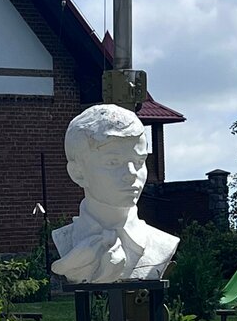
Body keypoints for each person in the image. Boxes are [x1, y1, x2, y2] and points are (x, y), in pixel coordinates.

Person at [51, 104, 179, 283]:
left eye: (139, 161)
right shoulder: (64, 239)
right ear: (78, 173)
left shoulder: (161, 244)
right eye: (113, 162)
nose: (131, 174)